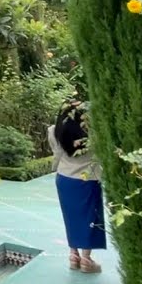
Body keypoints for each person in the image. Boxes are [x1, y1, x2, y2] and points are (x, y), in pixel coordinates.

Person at [49, 98, 106, 273]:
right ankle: (86, 260)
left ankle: (73, 255)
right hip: (88, 180)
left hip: (64, 178)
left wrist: (55, 168)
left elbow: (57, 154)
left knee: (71, 218)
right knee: (90, 218)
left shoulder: (54, 131)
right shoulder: (94, 134)